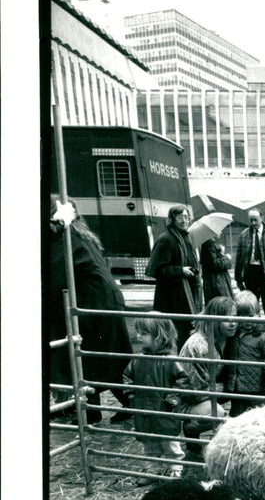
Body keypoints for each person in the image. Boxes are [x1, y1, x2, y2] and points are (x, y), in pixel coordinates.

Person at [49, 198, 133, 425]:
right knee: (102, 358)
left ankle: (98, 409)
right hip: (102, 303)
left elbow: (54, 279)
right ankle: (119, 405)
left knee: (88, 357)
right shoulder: (81, 236)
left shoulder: (67, 242)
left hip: (94, 306)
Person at [123, 317, 191, 482]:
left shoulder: (171, 361)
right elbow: (127, 377)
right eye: (139, 332)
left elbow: (183, 381)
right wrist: (131, 396)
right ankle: (153, 470)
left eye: (144, 333)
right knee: (149, 443)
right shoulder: (138, 359)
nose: (138, 336)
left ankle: (175, 469)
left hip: (164, 409)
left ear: (160, 336)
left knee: (169, 443)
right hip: (143, 409)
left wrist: (171, 400)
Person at [178, 296, 238, 473]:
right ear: (214, 318)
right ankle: (190, 427)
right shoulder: (200, 345)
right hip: (186, 398)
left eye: (235, 317)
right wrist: (224, 389)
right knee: (217, 413)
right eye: (226, 319)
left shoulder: (218, 337)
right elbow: (194, 388)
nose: (233, 323)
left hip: (203, 389)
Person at [146, 205, 201, 349]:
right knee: (174, 331)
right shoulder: (166, 239)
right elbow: (157, 270)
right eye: (180, 217)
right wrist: (180, 270)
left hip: (184, 294)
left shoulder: (184, 237)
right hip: (171, 298)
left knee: (183, 330)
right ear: (172, 219)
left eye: (187, 217)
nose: (185, 220)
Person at [224, 290, 265, 417]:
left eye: (251, 316)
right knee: (237, 414)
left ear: (258, 314)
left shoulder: (264, 335)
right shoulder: (234, 333)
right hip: (237, 385)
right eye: (242, 317)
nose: (247, 320)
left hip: (257, 387)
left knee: (257, 415)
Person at [234, 209, 265, 346]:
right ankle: (252, 333)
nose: (253, 223)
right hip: (250, 274)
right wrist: (238, 278)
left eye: (255, 219)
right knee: (251, 306)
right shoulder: (244, 235)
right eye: (251, 220)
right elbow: (239, 258)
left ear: (262, 217)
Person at [200, 233, 234, 305]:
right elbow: (215, 264)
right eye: (219, 230)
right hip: (216, 283)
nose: (221, 232)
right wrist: (227, 258)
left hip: (216, 281)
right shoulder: (208, 244)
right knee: (221, 305)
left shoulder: (210, 243)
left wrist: (221, 253)